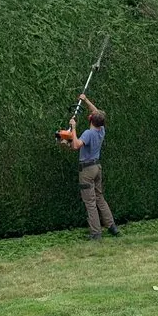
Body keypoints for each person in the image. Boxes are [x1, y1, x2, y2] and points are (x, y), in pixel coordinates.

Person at [68, 93, 119, 240]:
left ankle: (96, 233)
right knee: (99, 198)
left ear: (90, 119)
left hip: (87, 170)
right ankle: (112, 227)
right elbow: (96, 113)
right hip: (97, 168)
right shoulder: (101, 130)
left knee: (90, 202)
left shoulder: (88, 133)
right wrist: (86, 101)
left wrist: (73, 128)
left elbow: (76, 145)